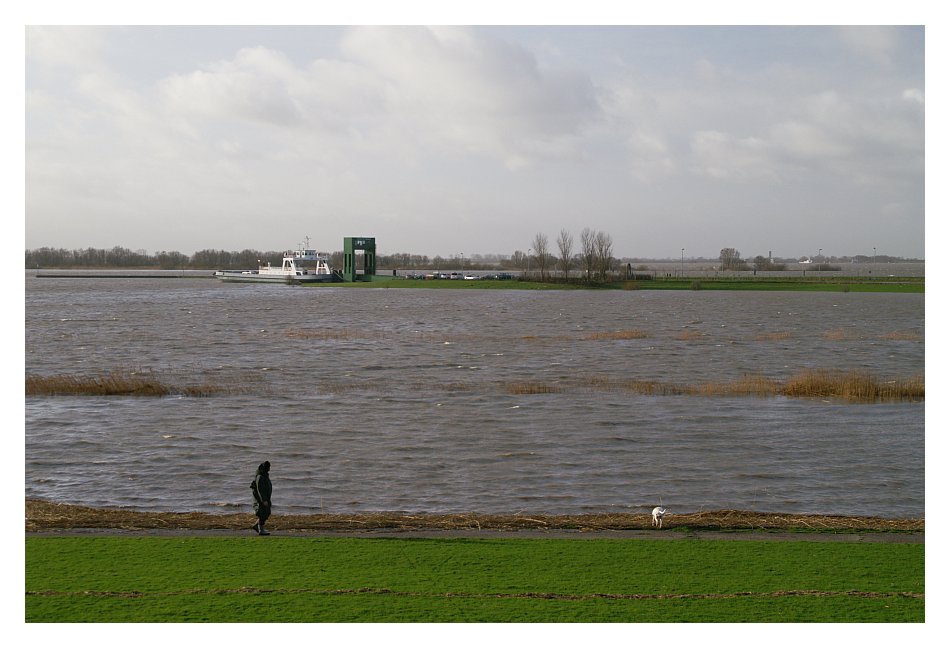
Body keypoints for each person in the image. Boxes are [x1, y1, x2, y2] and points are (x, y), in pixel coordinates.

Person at [250, 461, 272, 535]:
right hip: (260, 499)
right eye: (268, 467)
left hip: (266, 498)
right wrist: (263, 500)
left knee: (267, 512)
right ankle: (261, 530)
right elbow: (260, 490)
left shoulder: (264, 475)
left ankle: (257, 526)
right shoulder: (260, 477)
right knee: (262, 513)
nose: (269, 469)